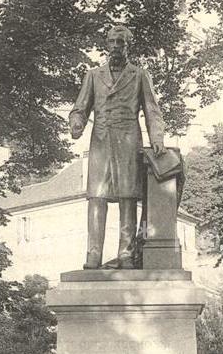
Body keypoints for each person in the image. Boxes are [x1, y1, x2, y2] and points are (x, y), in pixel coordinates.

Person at [69, 25, 166, 269]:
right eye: (112, 42)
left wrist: (157, 137)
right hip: (101, 140)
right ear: (107, 45)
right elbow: (80, 107)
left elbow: (152, 109)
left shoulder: (140, 75)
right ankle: (93, 254)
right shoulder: (93, 75)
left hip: (128, 139)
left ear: (127, 45)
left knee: (127, 197)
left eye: (120, 42)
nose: (115, 47)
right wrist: (77, 123)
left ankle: (126, 254)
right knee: (96, 197)